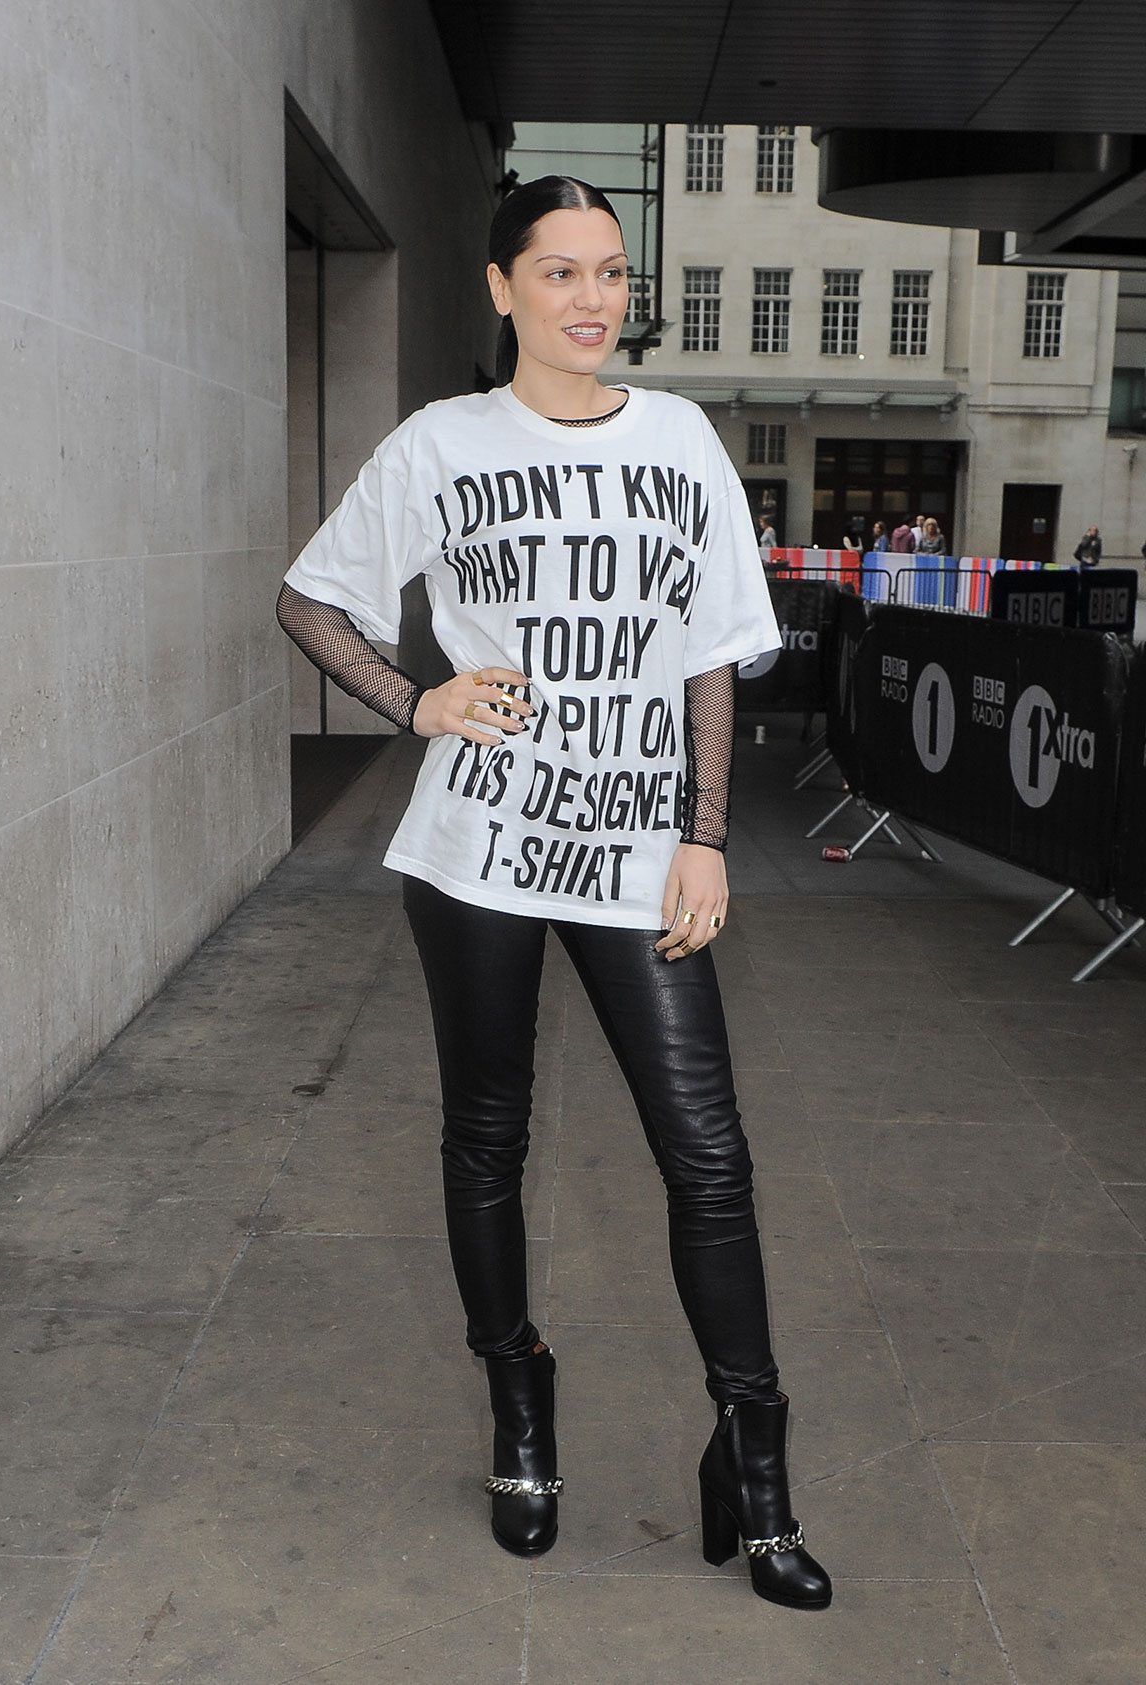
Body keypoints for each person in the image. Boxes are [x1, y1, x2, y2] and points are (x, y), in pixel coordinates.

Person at [275, 174, 831, 1612]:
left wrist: (705, 834)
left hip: (640, 852)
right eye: (562, 271)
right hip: (476, 854)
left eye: (613, 273)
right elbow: (310, 597)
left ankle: (755, 1463)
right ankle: (520, 1399)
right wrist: (419, 699)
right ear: (502, 286)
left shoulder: (682, 440)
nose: (594, 298)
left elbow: (711, 646)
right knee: (486, 1141)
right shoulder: (440, 445)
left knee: (708, 1155)